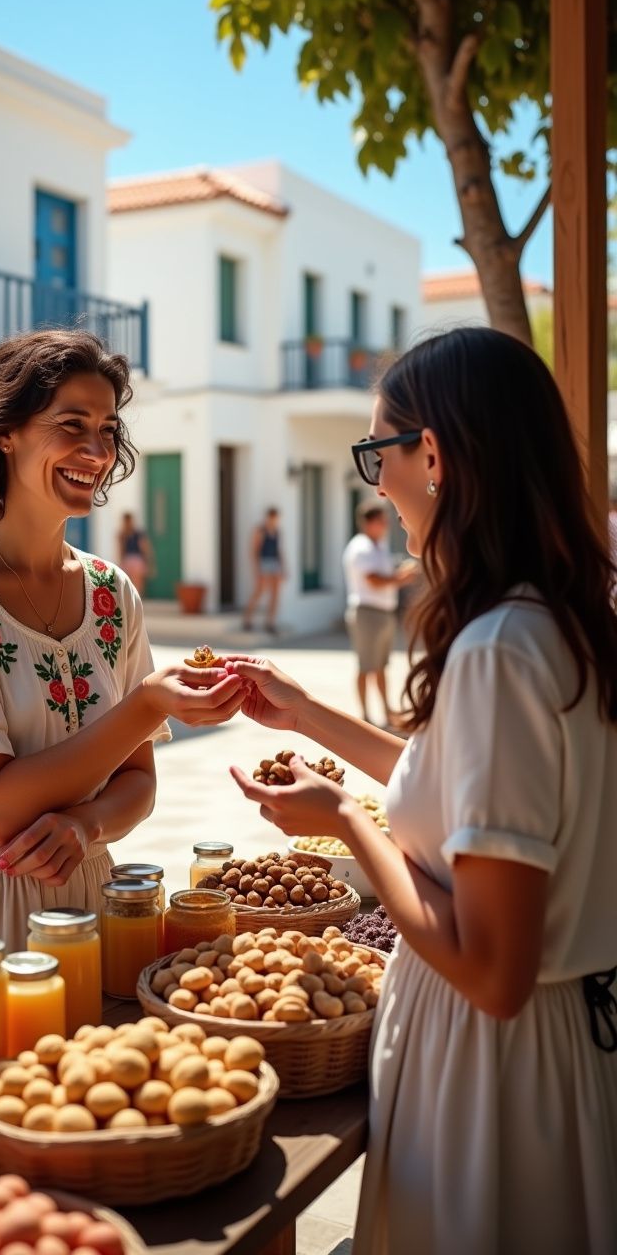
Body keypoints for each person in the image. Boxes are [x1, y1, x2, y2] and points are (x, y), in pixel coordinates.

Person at [224, 327, 617, 1255]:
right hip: (560, 1057)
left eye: (377, 454)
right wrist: (311, 715)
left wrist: (346, 823)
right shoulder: (564, 621)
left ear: (432, 453)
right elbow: (477, 798)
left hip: (492, 1079)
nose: (376, 483)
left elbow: (493, 970)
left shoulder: (497, 653)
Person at [0, 329, 244, 975]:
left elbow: (138, 781)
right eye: (72, 424)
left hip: (94, 916)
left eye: (107, 429)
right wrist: (152, 700)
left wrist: (87, 826)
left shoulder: (112, 594)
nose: (96, 451)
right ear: (3, 433)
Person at [342, 498, 417, 725]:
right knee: (366, 665)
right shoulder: (360, 547)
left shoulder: (378, 546)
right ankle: (365, 714)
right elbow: (374, 580)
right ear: (369, 523)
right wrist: (400, 577)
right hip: (367, 612)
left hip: (382, 612)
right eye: (382, 521)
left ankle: (386, 711)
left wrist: (398, 576)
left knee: (381, 666)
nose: (386, 525)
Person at [243, 507, 286, 634]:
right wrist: (256, 569)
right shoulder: (260, 531)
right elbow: (255, 550)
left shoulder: (277, 531)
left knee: (275, 594)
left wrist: (283, 567)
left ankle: (270, 622)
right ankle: (247, 619)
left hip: (274, 563)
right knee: (259, 591)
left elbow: (278, 551)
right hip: (264, 563)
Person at [116, 511, 153, 596]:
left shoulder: (138, 533)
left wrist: (148, 561)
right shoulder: (122, 534)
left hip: (136, 559)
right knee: (126, 582)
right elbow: (120, 550)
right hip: (128, 559)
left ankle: (136, 599)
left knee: (137, 583)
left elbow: (145, 548)